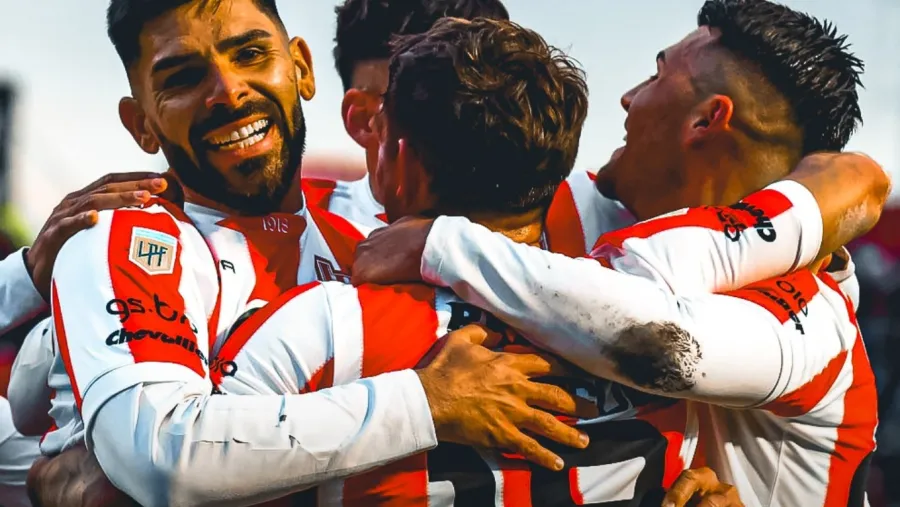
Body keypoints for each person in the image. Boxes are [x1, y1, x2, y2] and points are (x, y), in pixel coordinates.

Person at [220, 17, 884, 507]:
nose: (628, 97)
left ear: (707, 121)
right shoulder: (611, 232)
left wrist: (443, 244)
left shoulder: (808, 308)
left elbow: (660, 341)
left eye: (656, 76)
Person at [13, 1, 595, 506]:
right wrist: (426, 402)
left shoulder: (365, 246)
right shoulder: (126, 236)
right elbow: (161, 459)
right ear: (141, 123)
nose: (228, 92)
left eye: (250, 54)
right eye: (184, 77)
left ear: (302, 68)